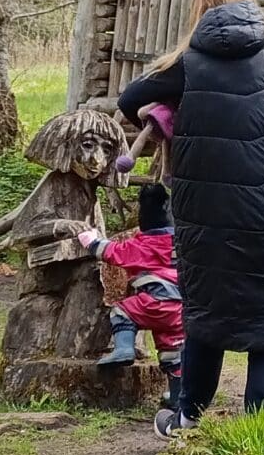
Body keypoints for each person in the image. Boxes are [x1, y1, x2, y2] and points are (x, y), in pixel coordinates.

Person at [116, 0, 264, 434]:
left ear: (200, 11)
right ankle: (260, 430)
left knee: (208, 312)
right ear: (247, 2)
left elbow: (129, 98)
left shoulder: (185, 65)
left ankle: (188, 416)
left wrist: (168, 112)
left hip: (210, 218)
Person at [77, 181, 187, 423]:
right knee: (173, 354)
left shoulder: (139, 245)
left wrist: (90, 239)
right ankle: (179, 398)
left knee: (121, 311)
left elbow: (109, 251)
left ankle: (124, 348)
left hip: (153, 303)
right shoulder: (181, 244)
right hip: (180, 309)